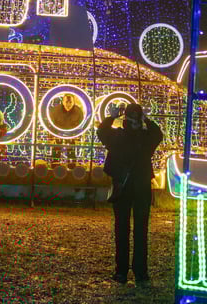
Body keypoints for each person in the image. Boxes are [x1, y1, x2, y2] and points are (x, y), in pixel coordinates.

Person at [97, 103, 163, 286]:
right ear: (139, 118)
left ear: (124, 118)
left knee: (121, 229)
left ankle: (121, 272)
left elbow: (101, 131)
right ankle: (141, 272)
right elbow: (158, 134)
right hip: (141, 186)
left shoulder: (117, 136)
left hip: (122, 186)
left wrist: (111, 116)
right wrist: (146, 120)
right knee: (141, 230)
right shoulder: (145, 138)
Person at [48, 93, 83, 164]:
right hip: (58, 134)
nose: (68, 104)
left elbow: (81, 125)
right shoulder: (55, 111)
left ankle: (72, 166)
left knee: (71, 151)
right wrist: (51, 136)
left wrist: (78, 136)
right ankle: (54, 165)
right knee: (56, 150)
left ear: (74, 102)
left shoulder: (78, 112)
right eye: (66, 102)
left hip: (71, 135)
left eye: (70, 102)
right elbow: (50, 124)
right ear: (63, 102)